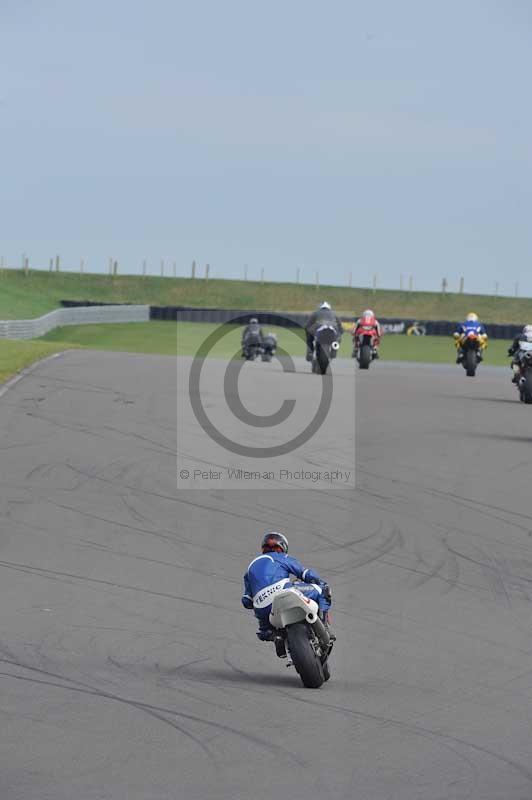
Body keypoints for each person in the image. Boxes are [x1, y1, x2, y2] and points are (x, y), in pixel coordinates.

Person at [241, 531, 333, 649]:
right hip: (284, 591)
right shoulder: (282, 557)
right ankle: (324, 627)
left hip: (262, 608)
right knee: (324, 590)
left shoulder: (249, 569)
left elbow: (246, 601)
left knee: (264, 632)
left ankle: (275, 636)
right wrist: (320, 582)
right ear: (283, 547)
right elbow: (305, 573)